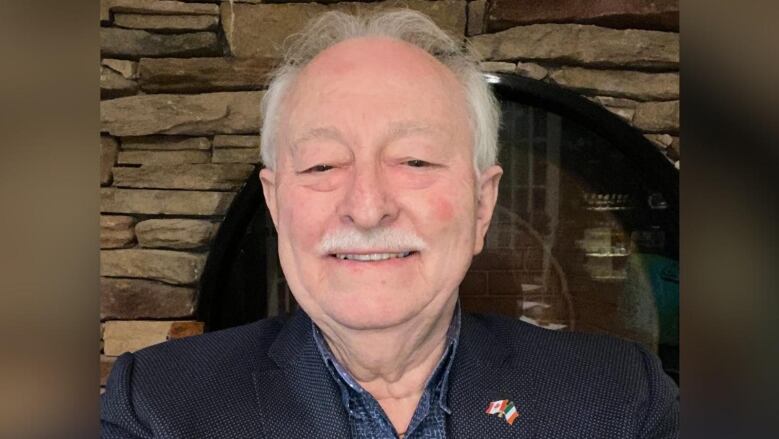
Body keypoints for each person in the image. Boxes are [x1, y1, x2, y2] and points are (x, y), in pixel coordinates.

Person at [101, 10, 679, 438]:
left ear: (482, 204)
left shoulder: (620, 400)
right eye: (323, 164)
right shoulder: (158, 406)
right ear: (276, 206)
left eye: (416, 161)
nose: (368, 206)